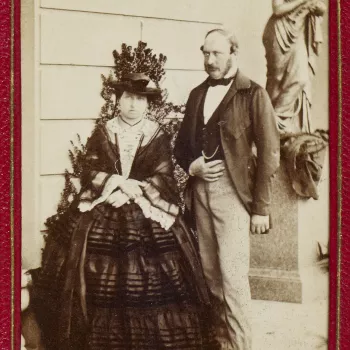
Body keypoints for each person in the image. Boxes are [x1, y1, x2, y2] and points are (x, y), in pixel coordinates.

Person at [31, 73, 219, 350]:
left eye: (140, 99)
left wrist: (137, 189)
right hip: (106, 200)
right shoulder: (103, 131)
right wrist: (115, 185)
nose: (133, 104)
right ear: (117, 101)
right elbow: (90, 169)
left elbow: (164, 175)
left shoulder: (157, 134)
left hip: (146, 203)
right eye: (128, 98)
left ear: (147, 104)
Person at [174, 29, 280, 349]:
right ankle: (222, 344)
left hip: (233, 193)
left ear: (233, 53)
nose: (209, 61)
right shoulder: (196, 94)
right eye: (205, 53)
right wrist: (194, 167)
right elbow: (181, 147)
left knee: (234, 280)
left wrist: (261, 208)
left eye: (216, 54)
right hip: (200, 192)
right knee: (211, 276)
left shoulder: (253, 94)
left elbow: (270, 154)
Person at [263, 0, 327, 134]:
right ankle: (270, 124)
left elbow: (321, 7)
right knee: (276, 82)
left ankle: (278, 120)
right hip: (279, 31)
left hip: (298, 31)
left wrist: (316, 7)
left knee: (301, 78)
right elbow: (277, 9)